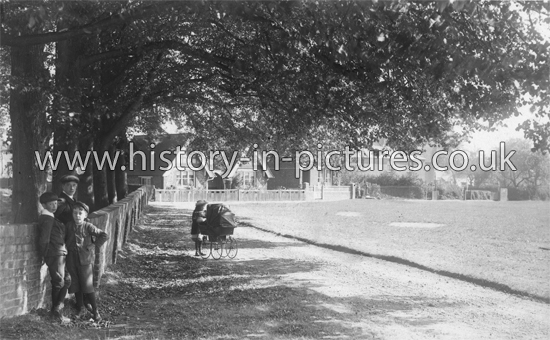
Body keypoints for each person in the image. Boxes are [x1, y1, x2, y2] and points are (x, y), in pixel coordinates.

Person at [65, 201, 109, 322]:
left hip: (85, 261)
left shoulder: (88, 226)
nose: (77, 216)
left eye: (80, 213)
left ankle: (95, 311)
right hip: (71, 260)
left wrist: (93, 246)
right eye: (75, 213)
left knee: (88, 286)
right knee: (76, 285)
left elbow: (104, 235)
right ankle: (80, 308)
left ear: (85, 215)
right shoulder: (68, 226)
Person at [37, 192, 72, 320]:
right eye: (51, 204)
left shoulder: (51, 217)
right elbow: (44, 239)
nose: (54, 206)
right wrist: (44, 254)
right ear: (44, 205)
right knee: (59, 282)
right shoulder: (46, 218)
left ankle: (58, 308)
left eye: (56, 203)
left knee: (67, 280)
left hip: (60, 253)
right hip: (54, 253)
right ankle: (55, 313)